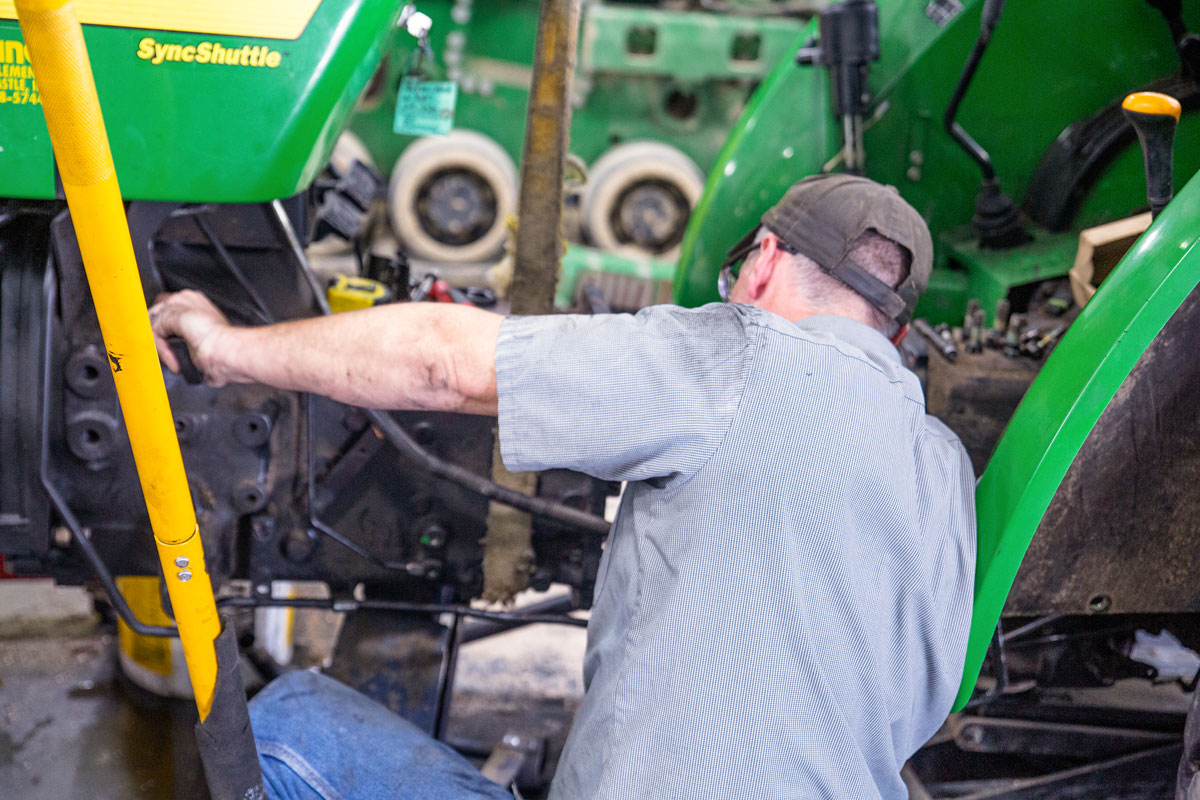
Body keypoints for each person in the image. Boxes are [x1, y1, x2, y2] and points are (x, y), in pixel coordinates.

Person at [149, 174, 976, 800]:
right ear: (896, 328)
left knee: (284, 728)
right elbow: (925, 709)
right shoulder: (944, 470)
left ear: (761, 263)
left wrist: (227, 350)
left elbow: (444, 363)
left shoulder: (740, 356)